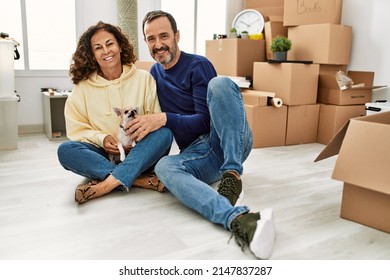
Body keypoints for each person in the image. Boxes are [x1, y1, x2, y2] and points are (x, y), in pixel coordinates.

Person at [136, 10, 276, 259]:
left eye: (164, 36)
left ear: (177, 36)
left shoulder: (198, 65)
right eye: (151, 38)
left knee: (220, 84)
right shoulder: (154, 75)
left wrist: (165, 118)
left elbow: (204, 121)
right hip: (200, 154)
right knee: (165, 167)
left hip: (224, 139)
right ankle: (240, 220)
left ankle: (232, 174)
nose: (158, 44)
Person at [57, 21, 173, 204]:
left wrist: (138, 137)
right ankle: (137, 180)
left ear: (119, 46)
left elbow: (154, 118)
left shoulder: (144, 79)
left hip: (139, 152)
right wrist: (101, 138)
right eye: (98, 48)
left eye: (110, 44)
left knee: (165, 133)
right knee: (65, 150)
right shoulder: (82, 88)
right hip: (103, 154)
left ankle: (106, 184)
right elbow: (76, 130)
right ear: (92, 55)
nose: (106, 51)